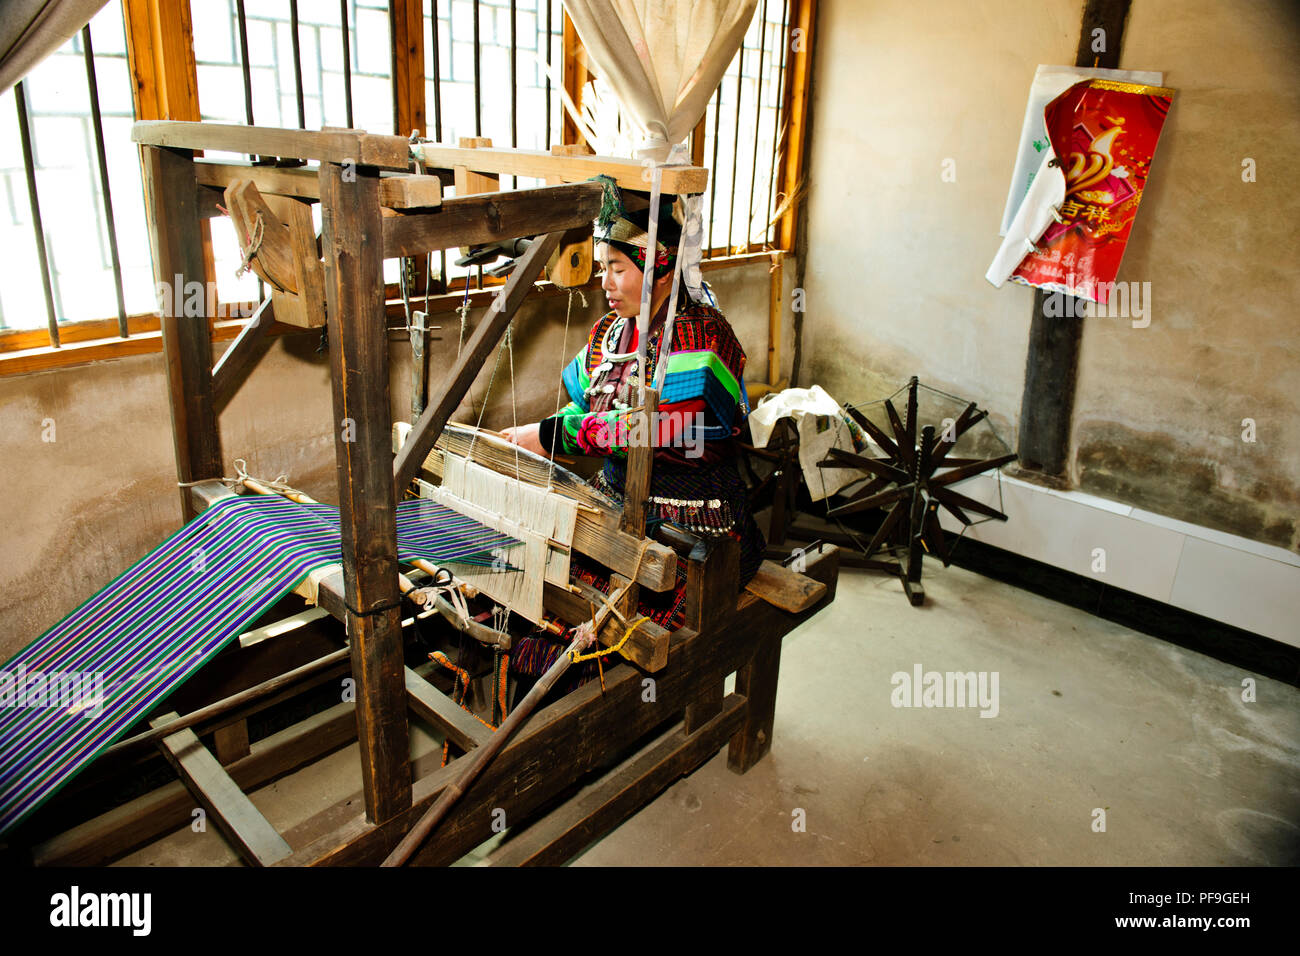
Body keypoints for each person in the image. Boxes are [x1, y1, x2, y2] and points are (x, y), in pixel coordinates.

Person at [501, 192, 765, 682]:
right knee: (543, 607)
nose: (605, 282)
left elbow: (660, 430)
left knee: (608, 641)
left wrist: (554, 435)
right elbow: (586, 405)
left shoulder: (702, 337)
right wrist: (537, 435)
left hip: (693, 528)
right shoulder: (609, 332)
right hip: (615, 505)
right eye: (603, 267)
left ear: (660, 264)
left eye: (617, 268)